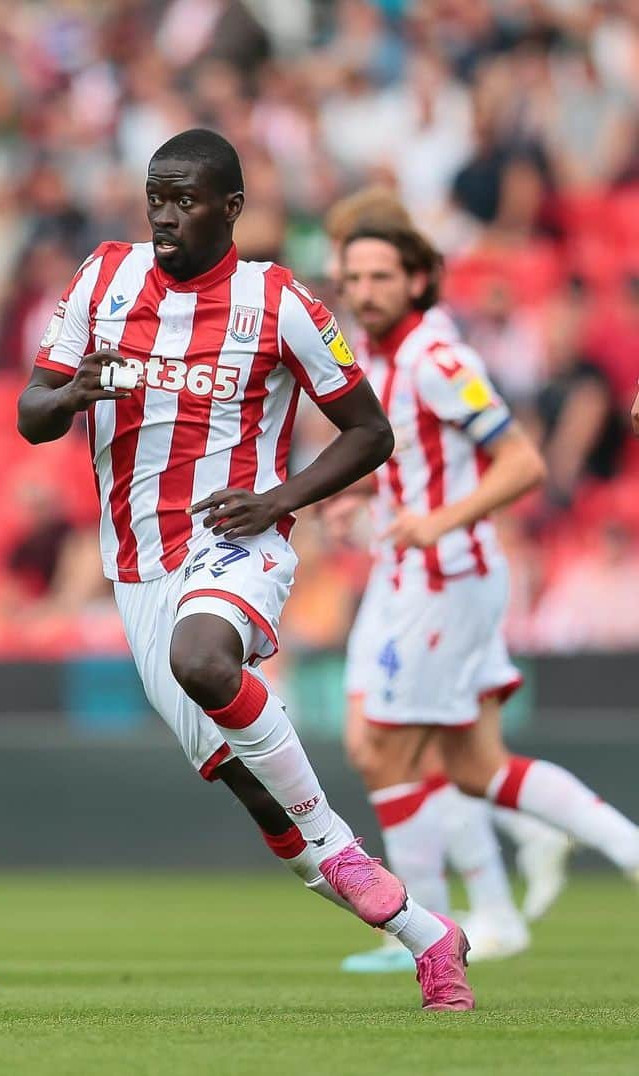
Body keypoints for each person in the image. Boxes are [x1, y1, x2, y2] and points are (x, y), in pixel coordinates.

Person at [17, 128, 476, 1012]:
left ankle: (340, 842)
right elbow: (32, 413)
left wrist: (278, 501)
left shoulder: (279, 300)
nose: (164, 214)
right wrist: (72, 393)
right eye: (156, 196)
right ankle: (428, 934)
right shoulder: (101, 279)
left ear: (232, 209)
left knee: (205, 659)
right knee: (257, 799)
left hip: (237, 538)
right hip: (136, 571)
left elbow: (369, 431)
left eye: (184, 199)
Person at [334, 222, 639, 969]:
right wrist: (363, 495)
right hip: (423, 574)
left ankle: (423, 935)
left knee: (384, 750)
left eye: (381, 277)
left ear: (417, 280)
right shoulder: (382, 355)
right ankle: (623, 848)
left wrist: (435, 520)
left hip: (447, 578)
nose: (365, 292)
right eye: (354, 278)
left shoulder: (438, 358)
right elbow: (425, 456)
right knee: (471, 767)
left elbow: (523, 462)